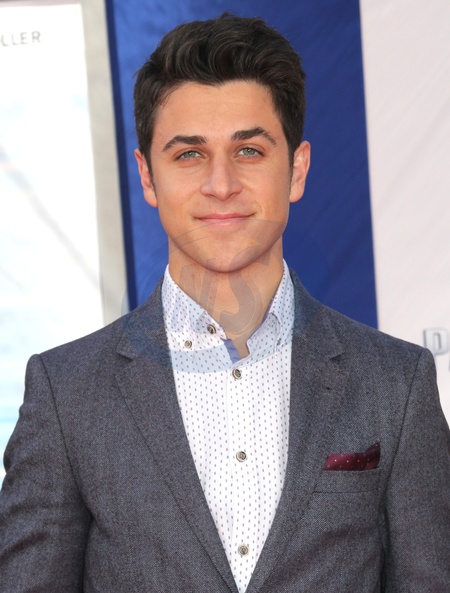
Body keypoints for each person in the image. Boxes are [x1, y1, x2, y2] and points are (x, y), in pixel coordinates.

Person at [0, 13, 449, 593]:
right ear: (147, 177)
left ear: (297, 170)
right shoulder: (66, 394)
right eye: (189, 154)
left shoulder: (396, 384)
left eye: (249, 151)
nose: (221, 184)